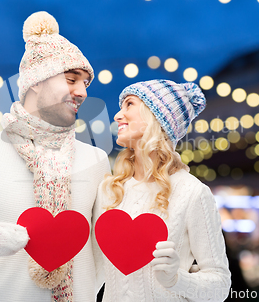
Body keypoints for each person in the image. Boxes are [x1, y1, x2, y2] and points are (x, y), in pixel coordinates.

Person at [0, 11, 111, 302]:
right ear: (36, 81)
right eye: (71, 79)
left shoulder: (96, 160)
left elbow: (102, 257)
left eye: (85, 84)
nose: (81, 92)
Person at [94, 79, 231, 301]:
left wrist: (176, 279)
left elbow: (220, 285)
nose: (117, 116)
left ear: (156, 117)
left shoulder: (192, 192)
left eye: (129, 104)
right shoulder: (109, 189)